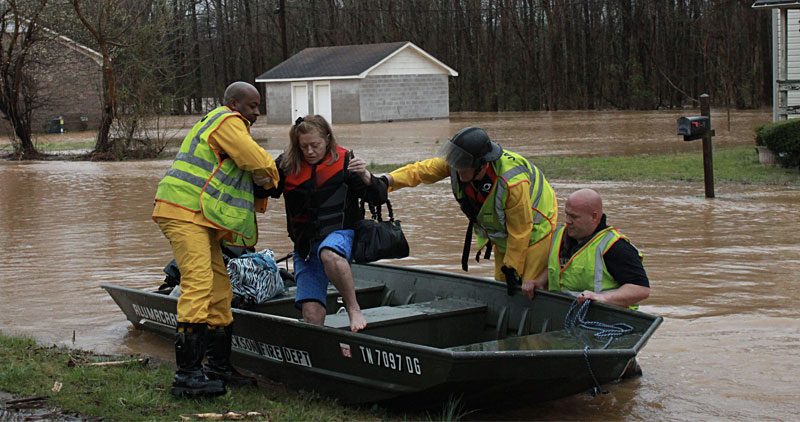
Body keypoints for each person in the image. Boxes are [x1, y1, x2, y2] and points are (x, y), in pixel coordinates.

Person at [152, 81, 278, 397]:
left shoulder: (222, 127)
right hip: (184, 211)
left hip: (198, 216)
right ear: (234, 104)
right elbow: (258, 161)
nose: (257, 112)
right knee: (198, 285)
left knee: (220, 289)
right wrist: (275, 176)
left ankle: (218, 367)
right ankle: (187, 376)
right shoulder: (227, 121)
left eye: (258, 106)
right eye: (252, 105)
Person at [384, 127, 557, 292]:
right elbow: (420, 171)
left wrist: (512, 268)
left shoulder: (512, 183)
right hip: (506, 234)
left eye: (463, 166)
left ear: (482, 165)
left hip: (536, 227)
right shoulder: (459, 162)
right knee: (502, 281)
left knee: (528, 285)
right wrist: (387, 181)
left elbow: (521, 231)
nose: (457, 169)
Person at [265, 115, 387, 332]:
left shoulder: (345, 161)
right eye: (304, 146)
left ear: (328, 140)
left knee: (329, 253)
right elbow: (265, 190)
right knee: (311, 315)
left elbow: (377, 197)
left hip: (341, 234)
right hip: (305, 247)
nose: (310, 151)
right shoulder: (286, 165)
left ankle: (353, 308)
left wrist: (367, 176)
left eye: (316, 145)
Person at [532, 188, 650, 309]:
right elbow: (558, 266)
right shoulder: (559, 234)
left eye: (574, 217)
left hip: (606, 320)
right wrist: (539, 281)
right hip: (562, 312)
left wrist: (603, 298)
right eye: (566, 214)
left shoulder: (615, 246)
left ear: (594, 217)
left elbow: (641, 290)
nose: (568, 221)